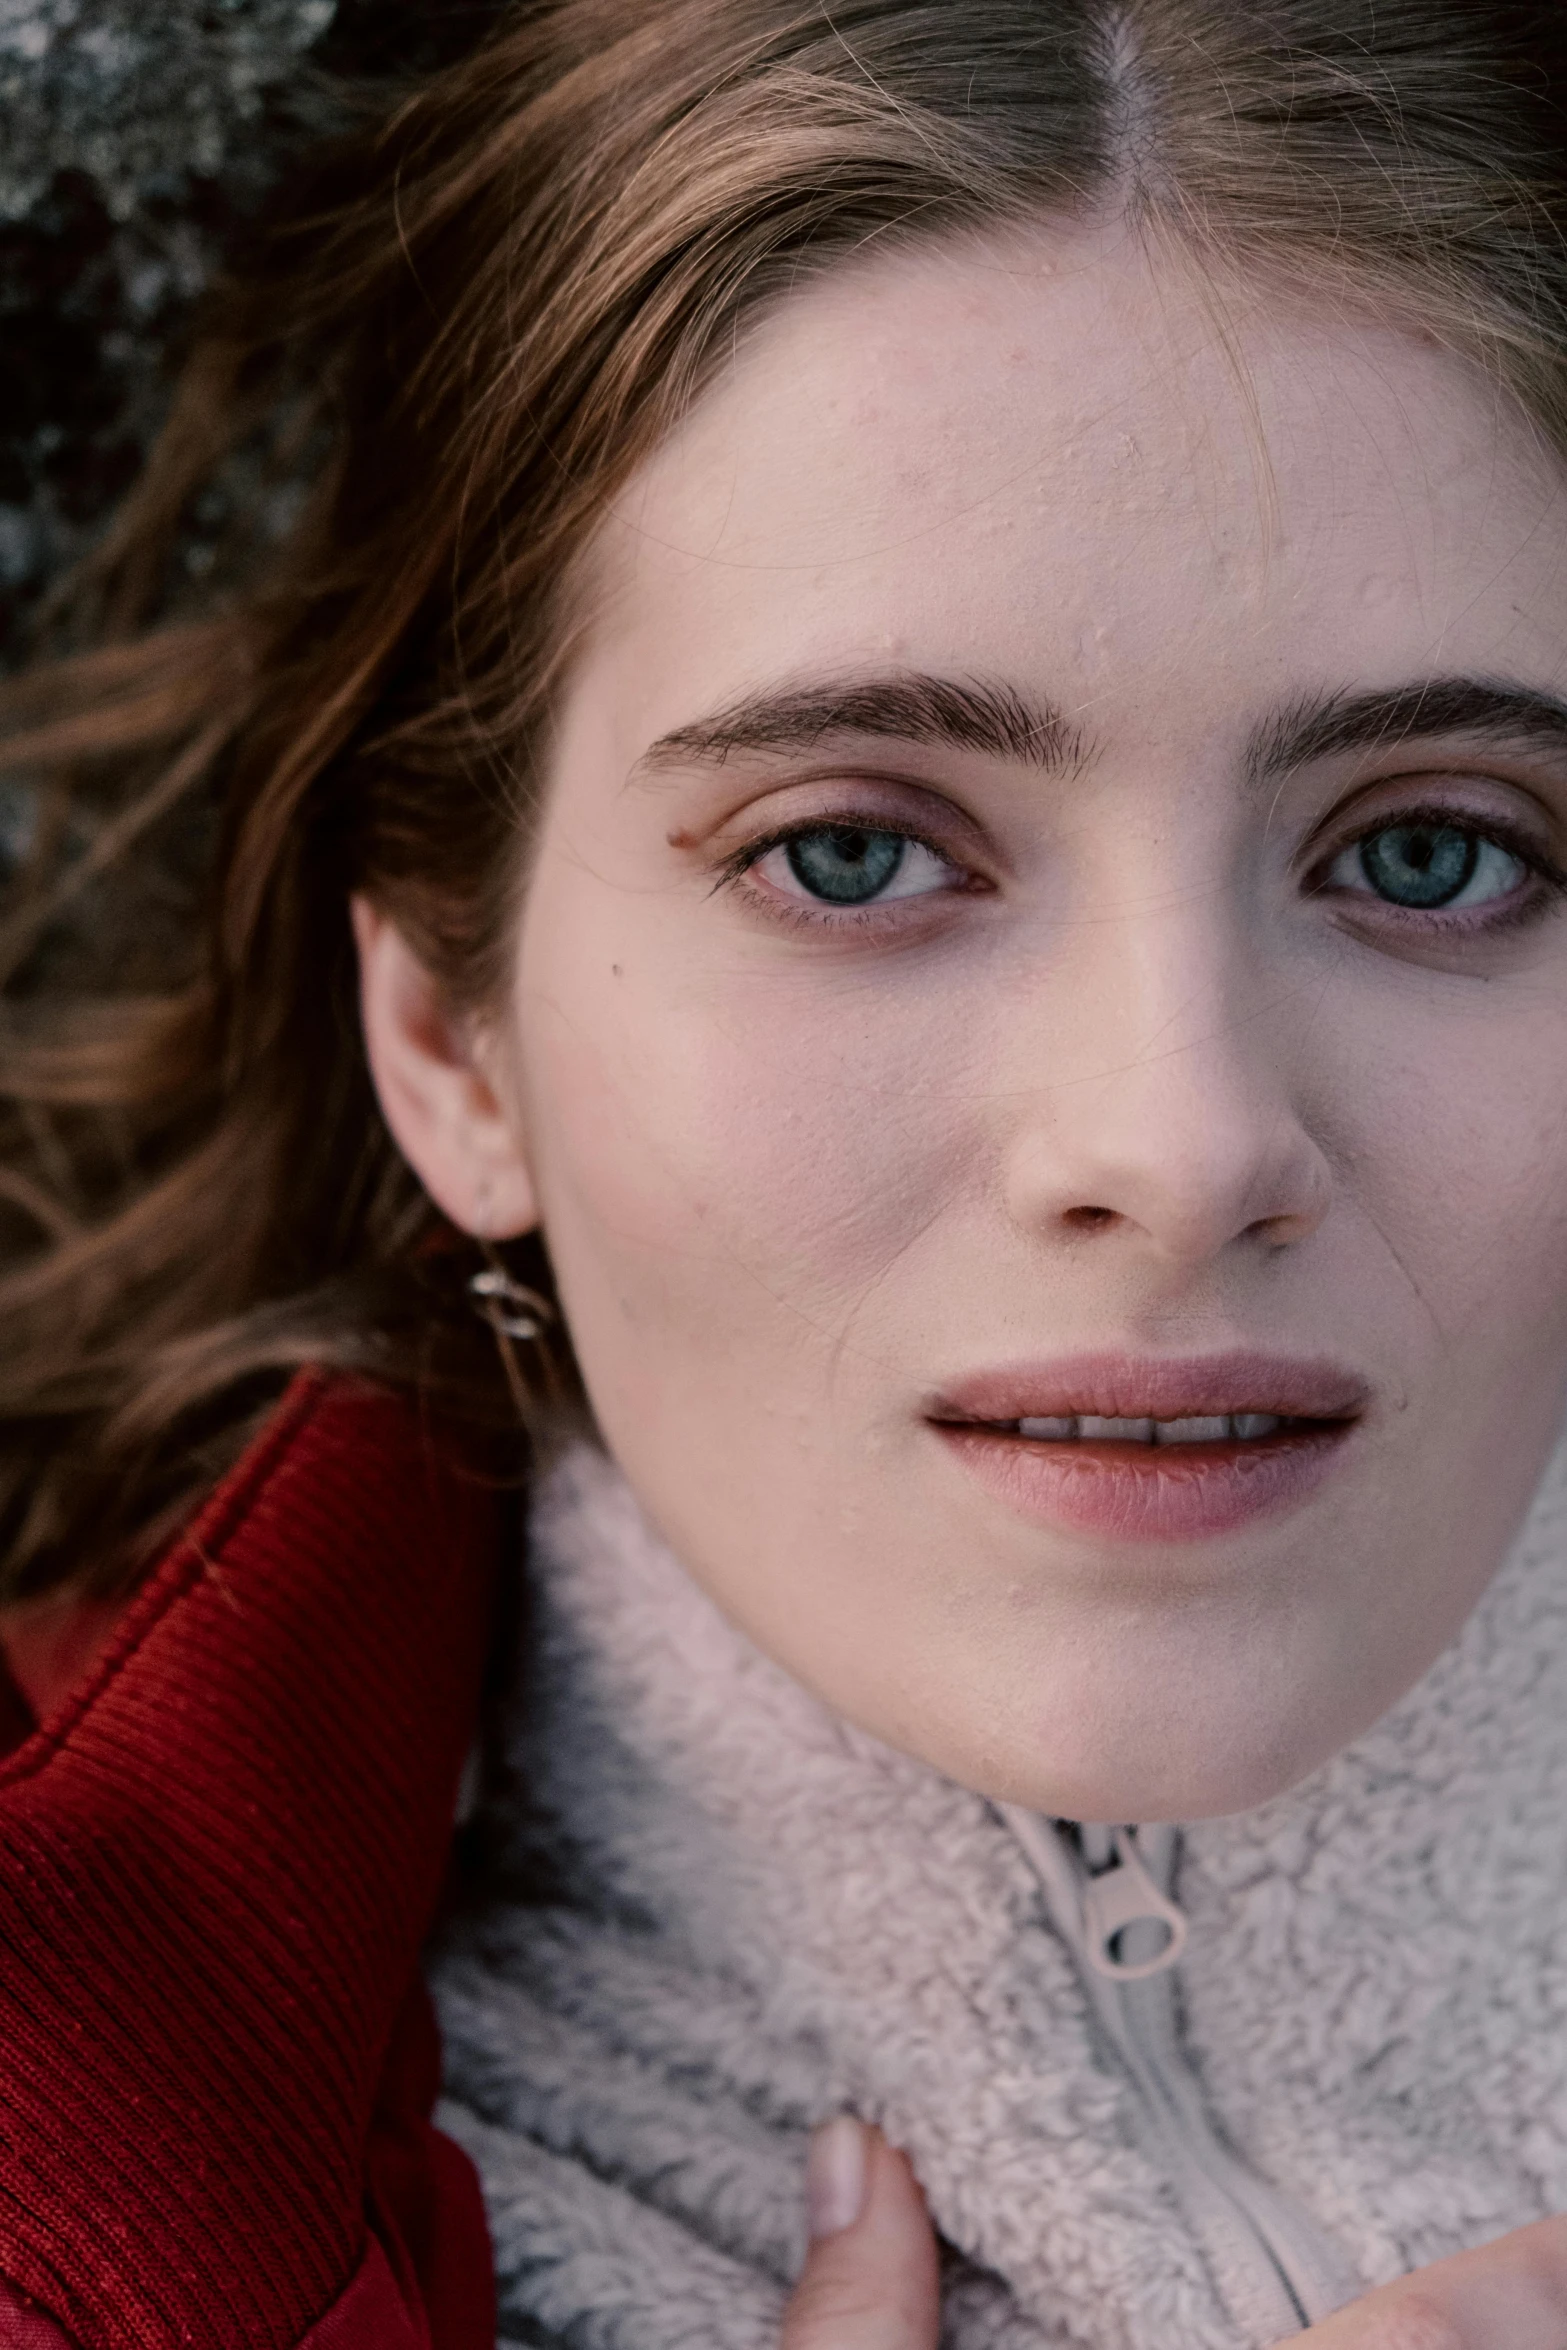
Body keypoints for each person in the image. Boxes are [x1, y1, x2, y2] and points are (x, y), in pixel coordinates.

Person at [6, 1, 1567, 2344]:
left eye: (1435, 851)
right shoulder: (104, 2206)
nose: (1180, 1136)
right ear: (452, 1034)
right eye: (851, 851)